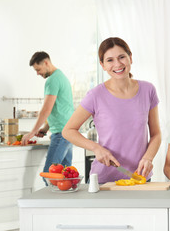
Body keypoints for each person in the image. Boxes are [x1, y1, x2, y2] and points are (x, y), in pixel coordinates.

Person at [62, 37, 161, 183]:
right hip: (104, 181)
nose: (117, 64)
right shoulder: (95, 95)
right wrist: (96, 148)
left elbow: (156, 134)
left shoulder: (148, 90)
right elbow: (68, 130)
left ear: (130, 58)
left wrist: (148, 157)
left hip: (140, 179)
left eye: (122, 57)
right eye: (110, 60)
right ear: (102, 65)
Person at [22, 52, 74, 180]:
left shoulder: (52, 80)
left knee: (49, 176)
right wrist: (45, 128)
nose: (37, 73)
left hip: (61, 134)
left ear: (46, 63)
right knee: (66, 177)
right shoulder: (61, 77)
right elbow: (59, 108)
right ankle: (65, 200)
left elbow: (46, 109)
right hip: (68, 132)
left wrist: (32, 132)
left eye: (38, 69)